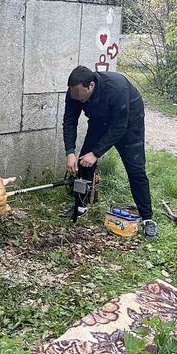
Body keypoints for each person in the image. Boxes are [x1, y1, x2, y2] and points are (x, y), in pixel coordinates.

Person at [61, 65, 158, 239]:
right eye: (72, 93)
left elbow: (120, 126)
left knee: (136, 171)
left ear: (91, 85)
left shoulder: (116, 88)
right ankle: (80, 207)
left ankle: (148, 219)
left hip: (129, 124)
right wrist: (70, 152)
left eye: (78, 93)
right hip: (99, 122)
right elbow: (69, 121)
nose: (75, 97)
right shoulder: (74, 93)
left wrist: (96, 153)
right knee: (84, 164)